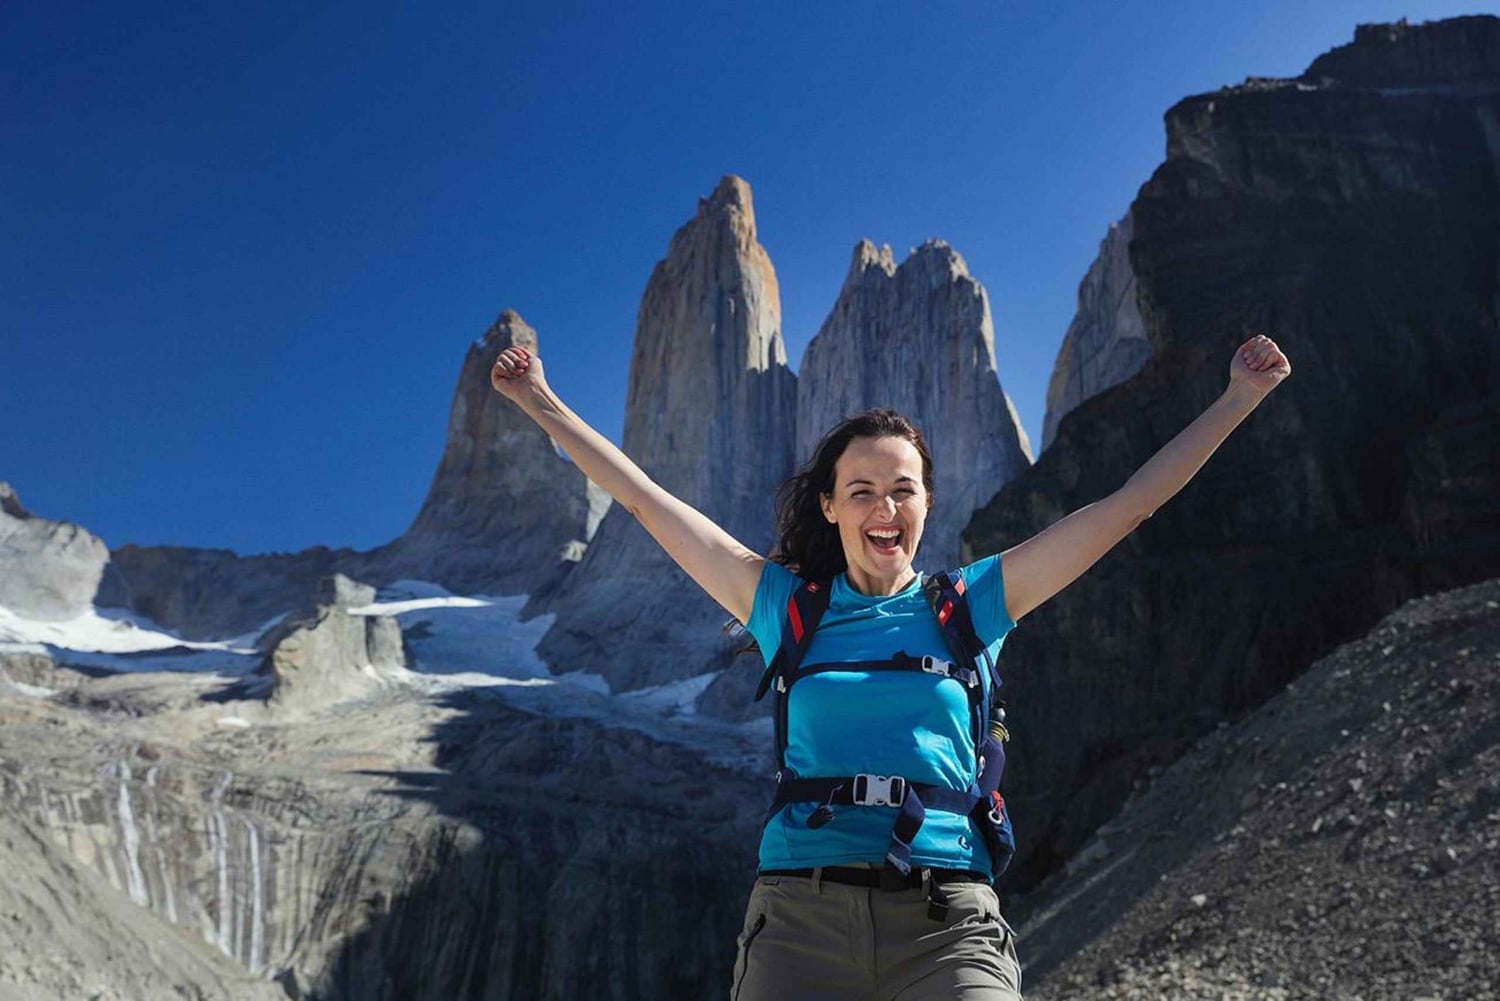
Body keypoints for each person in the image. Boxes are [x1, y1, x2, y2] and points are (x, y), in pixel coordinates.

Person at [491, 333, 1291, 1000]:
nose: (885, 509)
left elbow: (1127, 505)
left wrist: (1238, 398)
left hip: (950, 923)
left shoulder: (971, 606)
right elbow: (643, 499)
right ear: (830, 505)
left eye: (903, 490)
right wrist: (538, 401)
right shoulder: (783, 606)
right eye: (862, 490)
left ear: (928, 503)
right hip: (798, 922)